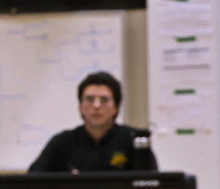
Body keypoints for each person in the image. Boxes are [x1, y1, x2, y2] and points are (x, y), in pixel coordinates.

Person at [28, 71, 157, 173]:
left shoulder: (134, 141)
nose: (96, 106)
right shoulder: (62, 142)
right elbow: (32, 181)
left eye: (104, 100)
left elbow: (152, 183)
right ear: (80, 106)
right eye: (90, 99)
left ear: (116, 107)